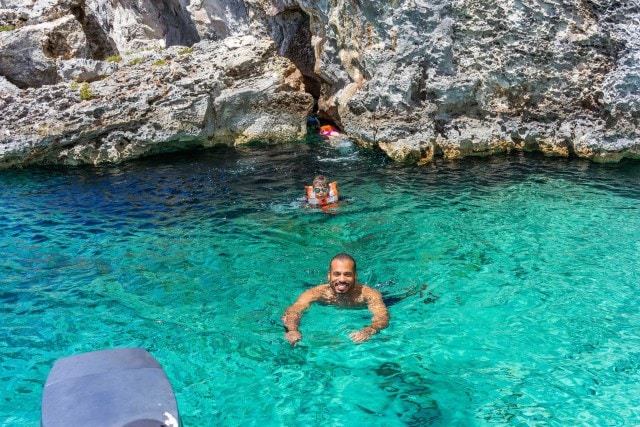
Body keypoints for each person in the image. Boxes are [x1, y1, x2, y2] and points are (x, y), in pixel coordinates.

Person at [282, 253, 390, 345]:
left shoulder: (368, 294)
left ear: (355, 276)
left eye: (347, 274)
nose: (342, 279)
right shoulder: (316, 293)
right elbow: (294, 310)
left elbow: (382, 316)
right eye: (337, 274)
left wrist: (369, 330)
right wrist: (292, 330)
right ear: (329, 276)